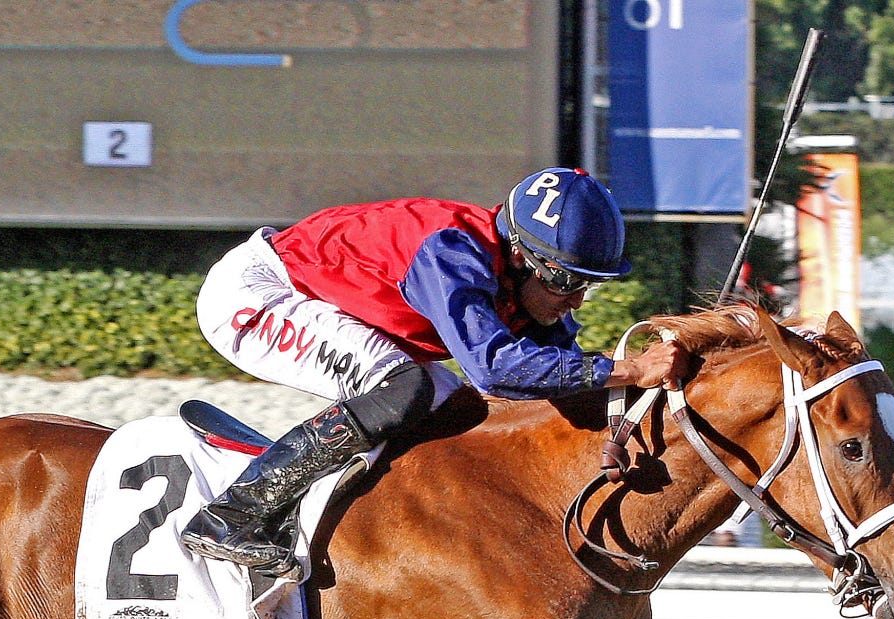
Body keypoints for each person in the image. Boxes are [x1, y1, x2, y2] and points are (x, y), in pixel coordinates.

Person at [181, 167, 689, 576]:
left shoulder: (525, 278)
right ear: (519, 254)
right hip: (256, 294)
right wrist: (630, 369)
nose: (575, 300)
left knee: (460, 411)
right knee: (406, 389)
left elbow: (560, 377)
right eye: (565, 281)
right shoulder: (450, 253)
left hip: (316, 297)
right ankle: (232, 515)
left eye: (588, 285)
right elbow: (496, 370)